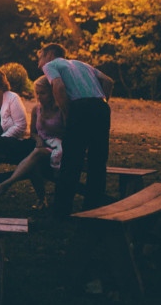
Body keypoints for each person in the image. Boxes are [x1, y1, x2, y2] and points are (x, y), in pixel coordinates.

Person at [38, 43, 114, 216]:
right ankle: (93, 209)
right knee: (98, 161)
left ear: (49, 54)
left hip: (79, 108)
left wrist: (67, 113)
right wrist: (102, 102)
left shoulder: (51, 65)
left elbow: (58, 86)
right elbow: (108, 81)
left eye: (40, 58)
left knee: (71, 161)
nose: (39, 64)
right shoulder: (82, 64)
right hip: (100, 108)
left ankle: (62, 212)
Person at [0, 76, 64, 209]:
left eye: (43, 93)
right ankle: (42, 200)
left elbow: (68, 133)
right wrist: (39, 139)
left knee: (37, 153)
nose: (39, 96)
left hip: (58, 148)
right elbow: (33, 133)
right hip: (42, 145)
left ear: (52, 92)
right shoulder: (37, 109)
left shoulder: (61, 110)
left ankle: (7, 183)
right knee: (33, 164)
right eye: (37, 93)